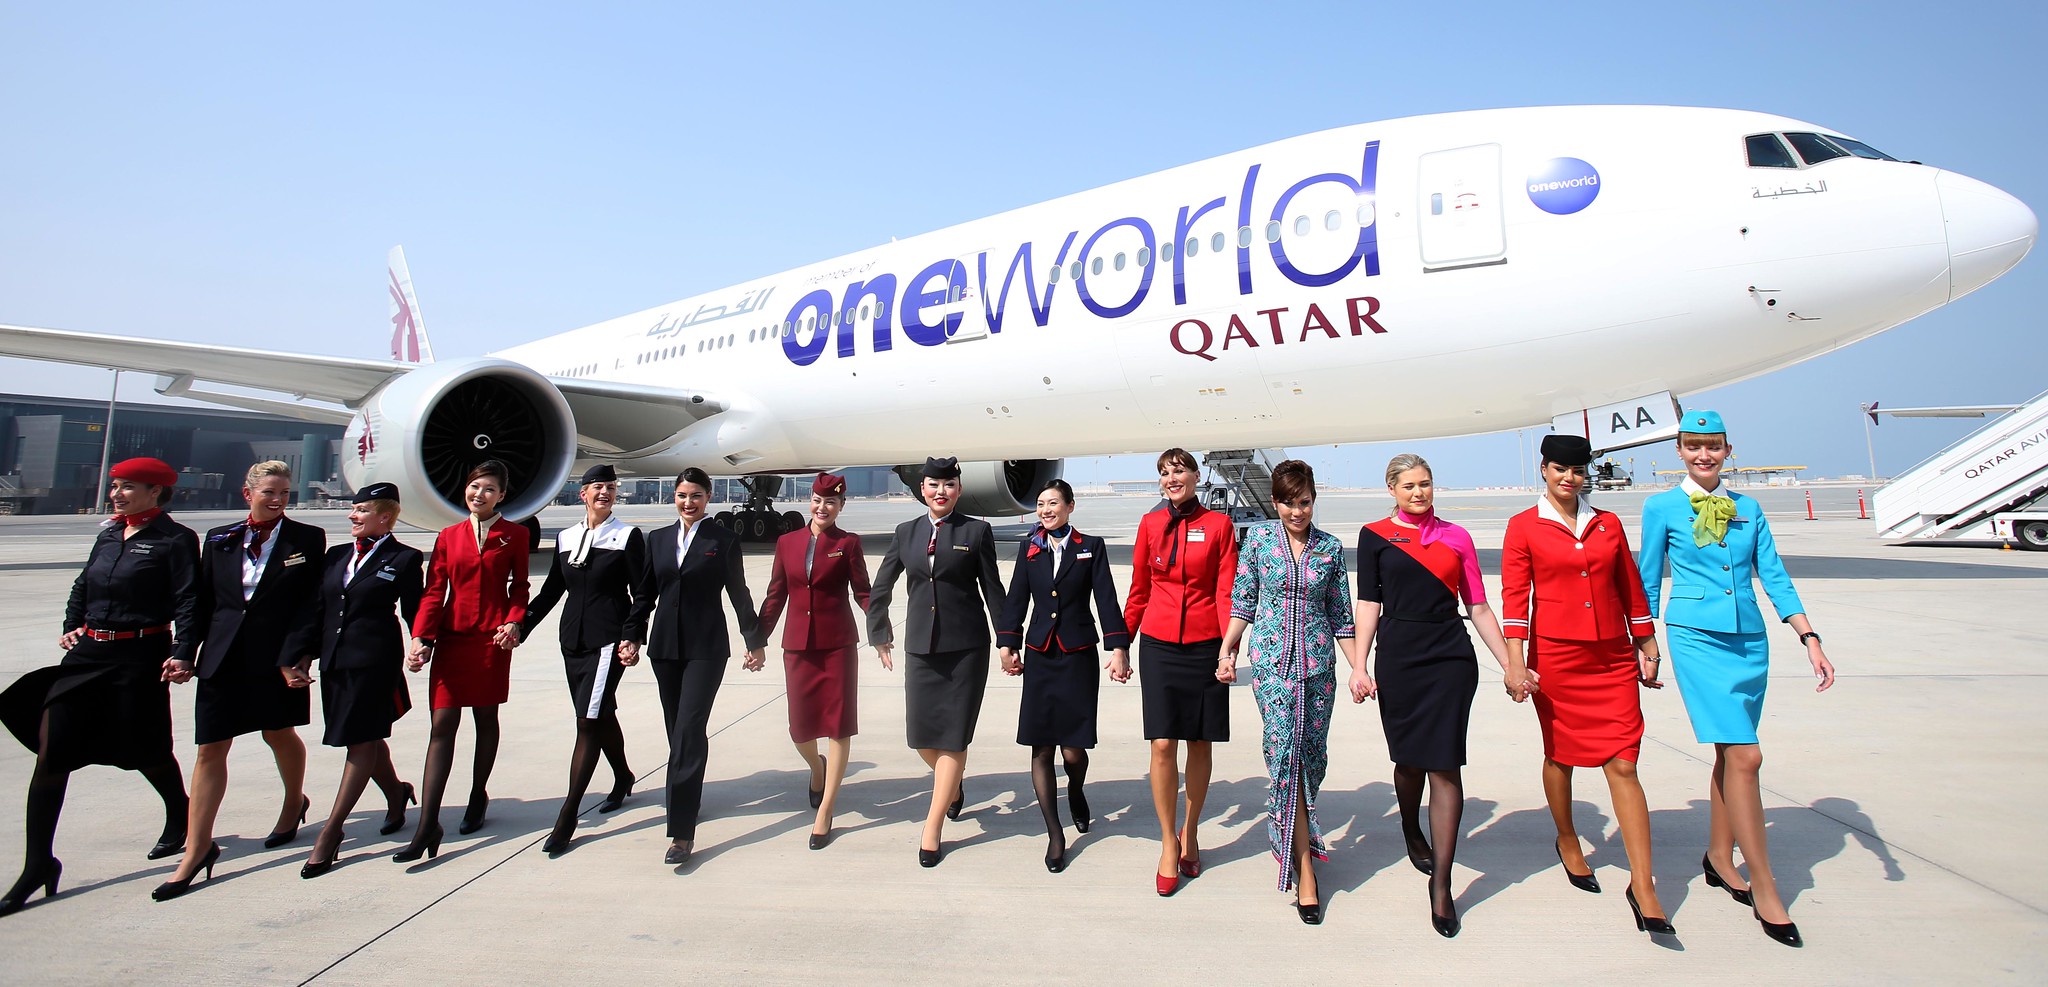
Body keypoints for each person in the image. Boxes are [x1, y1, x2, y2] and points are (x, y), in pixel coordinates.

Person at [1639, 410, 1836, 948]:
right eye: (1694, 446)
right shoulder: (1661, 507)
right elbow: (1647, 578)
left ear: (1729, 451)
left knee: (1731, 754)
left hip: (1750, 641)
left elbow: (1773, 574)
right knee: (1747, 756)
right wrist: (1645, 643)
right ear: (1679, 451)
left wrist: (1808, 636)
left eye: (1714, 447)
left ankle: (1719, 859)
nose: (1704, 455)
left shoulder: (1749, 508)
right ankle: (1766, 887)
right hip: (1696, 637)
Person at [0, 458, 198, 915]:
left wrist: (184, 650)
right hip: (88, 655)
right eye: (116, 487)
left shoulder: (175, 539)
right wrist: (72, 623)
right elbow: (82, 584)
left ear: (157, 492)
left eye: (129, 487)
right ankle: (38, 864)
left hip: (140, 656)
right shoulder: (108, 533)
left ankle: (181, 812)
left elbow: (189, 599)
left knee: (146, 750)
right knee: (53, 754)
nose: (118, 494)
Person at [1501, 434, 1673, 936]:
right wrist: (1516, 666)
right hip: (1556, 660)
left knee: (1624, 760)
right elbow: (1516, 600)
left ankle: (1644, 884)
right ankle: (1567, 837)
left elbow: (1630, 584)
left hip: (1612, 656)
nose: (1568, 479)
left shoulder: (1608, 523)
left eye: (1577, 471)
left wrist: (1646, 642)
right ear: (1544, 470)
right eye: (1559, 469)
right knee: (1561, 755)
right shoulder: (1523, 527)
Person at [1352, 453, 1521, 938]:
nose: (1418, 493)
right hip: (1400, 656)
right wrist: (1360, 665)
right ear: (1391, 489)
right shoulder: (1374, 537)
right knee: (1408, 763)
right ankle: (1410, 827)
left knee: (1445, 765)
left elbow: (1480, 607)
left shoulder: (1457, 537)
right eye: (1408, 486)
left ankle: (1442, 885)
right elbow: (1368, 602)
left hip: (1449, 657)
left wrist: (1512, 663)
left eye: (1425, 484)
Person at [154, 461, 327, 901]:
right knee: (210, 747)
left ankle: (293, 803)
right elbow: (201, 600)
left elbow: (310, 605)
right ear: (246, 491)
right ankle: (196, 849)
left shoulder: (307, 538)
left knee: (278, 733)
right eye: (270, 491)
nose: (278, 500)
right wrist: (183, 652)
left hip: (275, 658)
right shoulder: (219, 538)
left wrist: (298, 655)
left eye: (285, 493)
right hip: (223, 656)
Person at [1219, 460, 1354, 925]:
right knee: (1285, 755)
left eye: (1304, 502)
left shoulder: (1330, 549)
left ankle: (1288, 833)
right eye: (1288, 503)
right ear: (1274, 502)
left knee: (1313, 757)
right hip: (1273, 666)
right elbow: (1244, 600)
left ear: (1313, 500)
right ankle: (1305, 867)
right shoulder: (1257, 542)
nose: (1297, 511)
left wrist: (1360, 667)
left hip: (1318, 668)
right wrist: (1227, 650)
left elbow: (1342, 616)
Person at [867, 456, 1005, 868]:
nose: (940, 492)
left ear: (958, 490)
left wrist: (1007, 640)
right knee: (922, 738)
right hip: (921, 649)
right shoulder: (905, 532)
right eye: (932, 485)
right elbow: (882, 585)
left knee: (953, 738)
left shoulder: (976, 531)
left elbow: (993, 590)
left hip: (966, 649)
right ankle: (954, 786)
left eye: (948, 485)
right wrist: (880, 631)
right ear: (921, 490)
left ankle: (932, 829)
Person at [518, 464, 655, 857]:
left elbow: (643, 593)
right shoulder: (566, 537)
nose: (605, 493)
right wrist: (520, 626)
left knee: (587, 721)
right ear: (583, 493)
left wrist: (632, 635)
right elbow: (551, 592)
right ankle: (624, 775)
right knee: (599, 713)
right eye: (598, 487)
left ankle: (568, 816)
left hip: (607, 641)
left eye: (611, 488)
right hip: (571, 641)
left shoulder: (626, 537)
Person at [398, 460, 531, 862]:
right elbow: (434, 590)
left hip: (492, 640)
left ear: (502, 495)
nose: (480, 495)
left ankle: (478, 795)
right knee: (442, 724)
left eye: (489, 489)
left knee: (485, 719)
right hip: (453, 639)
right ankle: (428, 824)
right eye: (475, 487)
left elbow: (520, 588)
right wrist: (421, 636)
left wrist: (513, 623)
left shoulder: (515, 535)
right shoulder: (448, 536)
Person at [996, 479, 1130, 873]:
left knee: (1073, 748)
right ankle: (1055, 834)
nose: (1045, 510)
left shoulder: (1091, 547)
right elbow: (1016, 597)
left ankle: (1074, 787)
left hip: (1077, 654)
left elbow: (1106, 598)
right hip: (1039, 654)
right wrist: (1008, 643)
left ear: (1070, 507)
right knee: (1041, 747)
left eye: (1053, 503)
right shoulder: (1030, 548)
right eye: (1040, 504)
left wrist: (1118, 647)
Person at [1121, 448, 1238, 896]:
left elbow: (1226, 589)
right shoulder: (1151, 525)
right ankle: (1168, 842)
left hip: (1207, 643)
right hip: (1158, 642)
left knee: (1200, 740)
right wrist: (1121, 644)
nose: (1173, 478)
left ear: (1195, 476)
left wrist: (1228, 648)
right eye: (1165, 473)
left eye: (1180, 470)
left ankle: (1191, 832)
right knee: (1163, 742)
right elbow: (1139, 587)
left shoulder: (1219, 526)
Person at [300, 484, 423, 877]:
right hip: (335, 662)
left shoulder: (404, 558)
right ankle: (396, 792)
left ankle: (331, 831)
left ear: (385, 516)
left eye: (361, 510)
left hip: (375, 663)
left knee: (361, 739)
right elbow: (317, 609)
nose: (353, 516)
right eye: (353, 510)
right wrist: (300, 656)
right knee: (363, 737)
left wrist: (421, 643)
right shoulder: (335, 556)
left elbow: (415, 609)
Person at [646, 467, 766, 865]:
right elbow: (645, 594)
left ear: (708, 497)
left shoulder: (723, 539)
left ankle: (681, 832)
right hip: (665, 648)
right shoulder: (658, 540)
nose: (688, 502)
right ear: (674, 497)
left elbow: (739, 592)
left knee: (688, 729)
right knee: (676, 731)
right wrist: (631, 635)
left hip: (705, 648)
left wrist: (755, 642)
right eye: (682, 495)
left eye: (696, 495)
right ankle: (688, 796)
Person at [757, 472, 871, 851]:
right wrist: (757, 639)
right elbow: (776, 595)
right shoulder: (786, 542)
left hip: (837, 644)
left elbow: (863, 592)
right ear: (810, 501)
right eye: (819, 501)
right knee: (801, 729)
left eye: (832, 503)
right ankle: (816, 768)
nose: (823, 508)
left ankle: (826, 809)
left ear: (841, 507)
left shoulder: (848, 544)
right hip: (798, 647)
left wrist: (881, 629)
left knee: (839, 725)